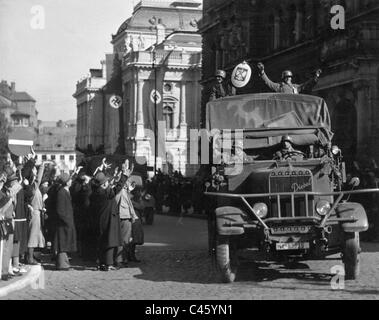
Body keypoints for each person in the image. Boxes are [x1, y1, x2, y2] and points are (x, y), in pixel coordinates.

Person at [89, 172, 122, 271]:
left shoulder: (95, 192)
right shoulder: (104, 193)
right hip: (108, 220)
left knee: (102, 241)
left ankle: (102, 262)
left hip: (100, 220)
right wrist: (123, 176)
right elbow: (116, 190)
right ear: (104, 184)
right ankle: (108, 263)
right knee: (109, 242)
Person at [257, 62, 322, 94]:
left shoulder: (295, 87)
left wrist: (316, 76)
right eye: (286, 77)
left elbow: (306, 85)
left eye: (289, 77)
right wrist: (262, 72)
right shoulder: (279, 86)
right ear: (283, 78)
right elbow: (269, 83)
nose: (288, 78)